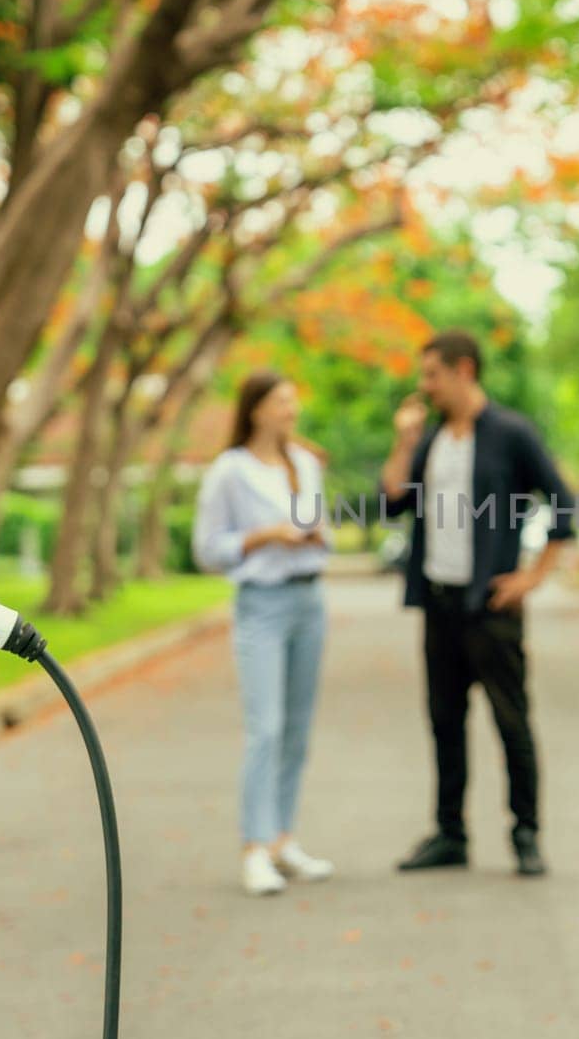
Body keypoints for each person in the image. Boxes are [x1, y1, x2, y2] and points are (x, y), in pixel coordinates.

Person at [381, 330, 578, 878]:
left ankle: (526, 832)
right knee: (445, 722)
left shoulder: (511, 434)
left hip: (492, 607)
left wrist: (534, 577)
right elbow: (391, 501)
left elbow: (563, 502)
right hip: (439, 604)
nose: (425, 387)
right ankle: (450, 834)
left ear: (464, 370)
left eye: (432, 375)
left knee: (512, 722)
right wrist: (403, 441)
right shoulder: (432, 439)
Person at [192, 371, 335, 897]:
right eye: (281, 402)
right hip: (262, 606)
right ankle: (253, 848)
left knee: (298, 730)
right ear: (256, 409)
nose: (291, 411)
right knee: (266, 729)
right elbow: (207, 549)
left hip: (309, 600)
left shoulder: (304, 464)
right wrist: (265, 536)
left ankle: (281, 839)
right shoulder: (229, 472)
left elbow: (323, 531)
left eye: (294, 401)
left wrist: (317, 535)